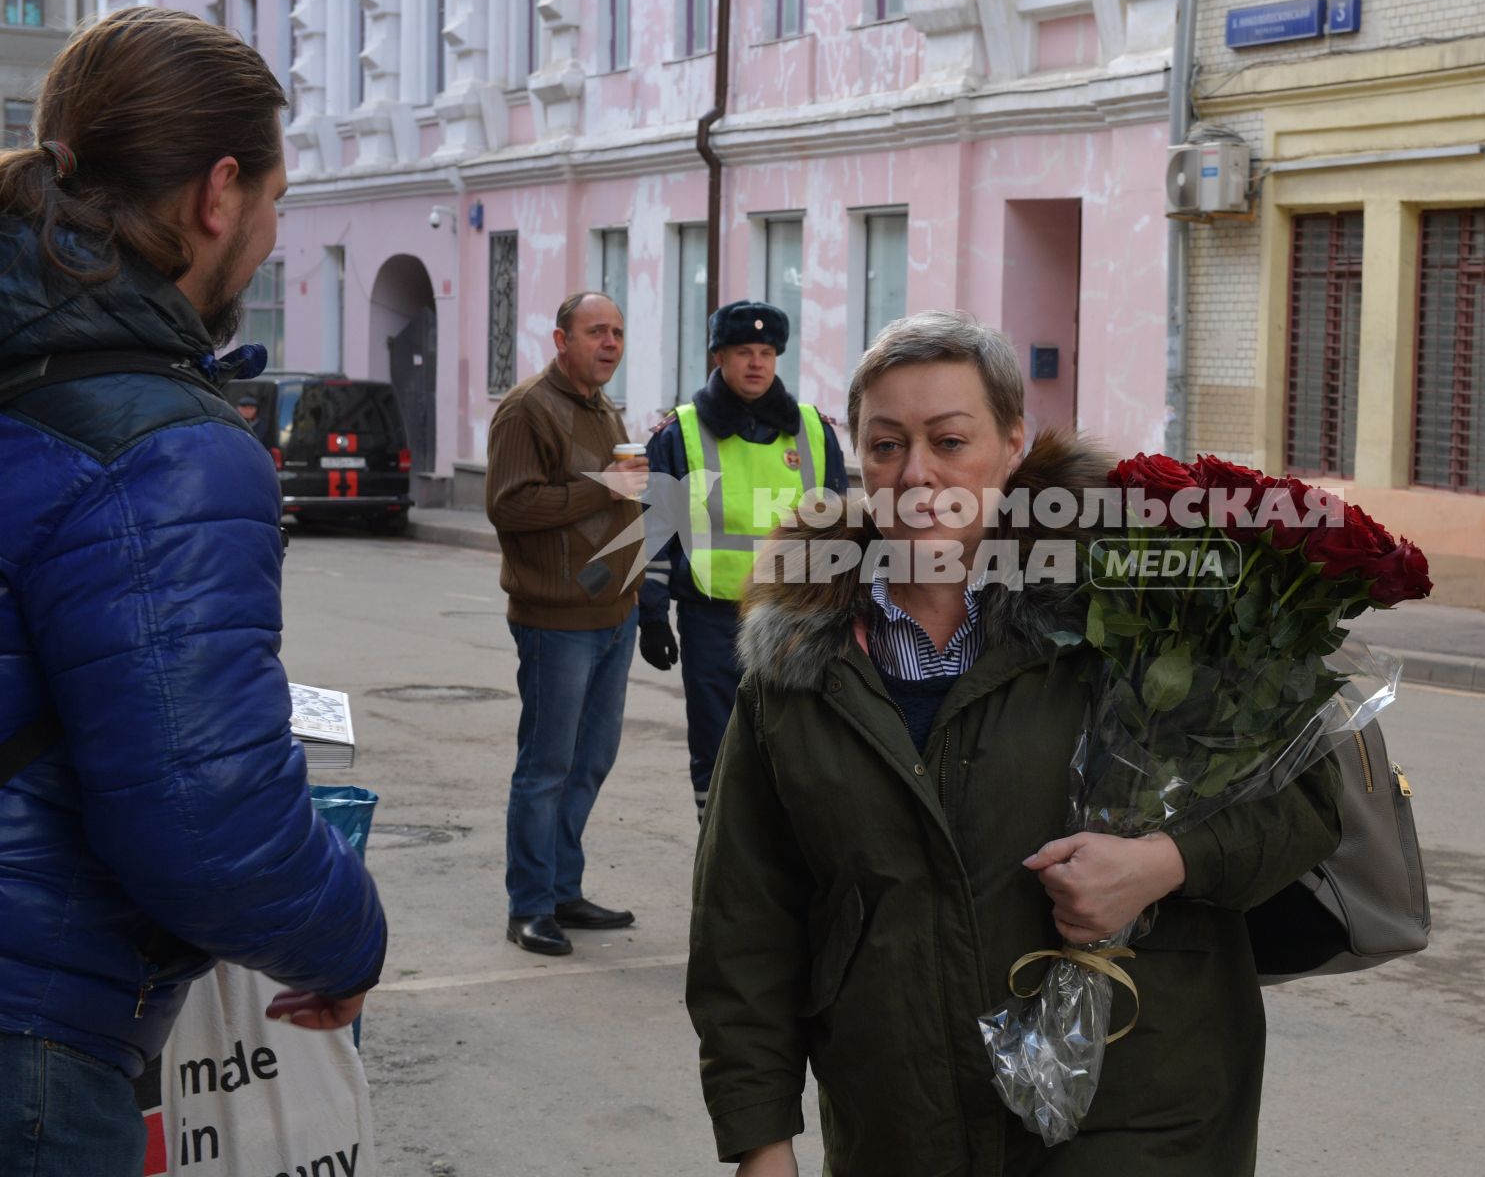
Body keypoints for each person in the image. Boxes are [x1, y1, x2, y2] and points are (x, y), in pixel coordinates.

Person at [686, 311, 1342, 1176]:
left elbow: (1306, 801)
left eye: (949, 441)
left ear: (1012, 444)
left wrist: (1162, 863)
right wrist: (759, 1136)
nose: (917, 474)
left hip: (1141, 1101)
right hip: (901, 1118)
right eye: (886, 446)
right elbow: (746, 914)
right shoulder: (798, 662)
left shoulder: (1140, 608)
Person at [0, 8, 387, 1177]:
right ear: (219, 194)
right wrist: (347, 934)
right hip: (32, 1037)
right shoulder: (163, 445)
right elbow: (210, 830)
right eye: (275, 199)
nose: (271, 234)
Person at [486, 290, 650, 956]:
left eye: (617, 332)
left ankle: (562, 888)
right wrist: (603, 486)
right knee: (547, 765)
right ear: (561, 340)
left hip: (614, 613)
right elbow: (510, 506)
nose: (609, 343)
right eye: (595, 332)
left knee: (590, 762)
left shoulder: (602, 406)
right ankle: (528, 906)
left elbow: (619, 498)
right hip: (557, 619)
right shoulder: (528, 409)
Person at [639, 300, 847, 818]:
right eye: (742, 352)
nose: (756, 363)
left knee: (794, 748)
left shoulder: (814, 431)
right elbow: (656, 530)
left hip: (794, 618)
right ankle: (721, 866)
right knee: (718, 750)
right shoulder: (679, 433)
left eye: (766, 352)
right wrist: (651, 613)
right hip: (711, 616)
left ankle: (784, 874)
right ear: (718, 357)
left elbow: (841, 536)